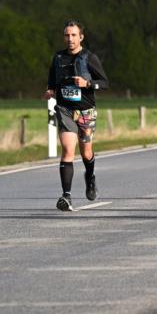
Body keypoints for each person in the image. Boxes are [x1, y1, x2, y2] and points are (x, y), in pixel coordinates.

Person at [44, 20, 109, 212]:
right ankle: (67, 196)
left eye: (73, 35)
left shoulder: (89, 58)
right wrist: (50, 90)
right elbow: (51, 80)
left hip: (86, 112)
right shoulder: (57, 57)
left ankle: (90, 177)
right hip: (65, 110)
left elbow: (105, 82)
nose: (70, 39)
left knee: (86, 152)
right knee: (67, 149)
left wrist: (88, 84)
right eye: (67, 35)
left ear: (81, 37)